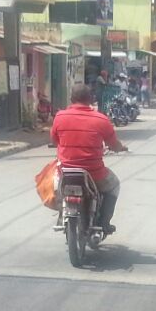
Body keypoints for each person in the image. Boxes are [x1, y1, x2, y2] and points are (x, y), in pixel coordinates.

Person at [50, 84, 127, 234]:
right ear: (90, 99)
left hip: (66, 172)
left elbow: (54, 141)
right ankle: (104, 222)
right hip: (95, 174)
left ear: (71, 99)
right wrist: (120, 148)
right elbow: (114, 145)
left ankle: (62, 214)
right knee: (114, 185)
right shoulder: (101, 119)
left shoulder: (60, 117)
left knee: (57, 188)